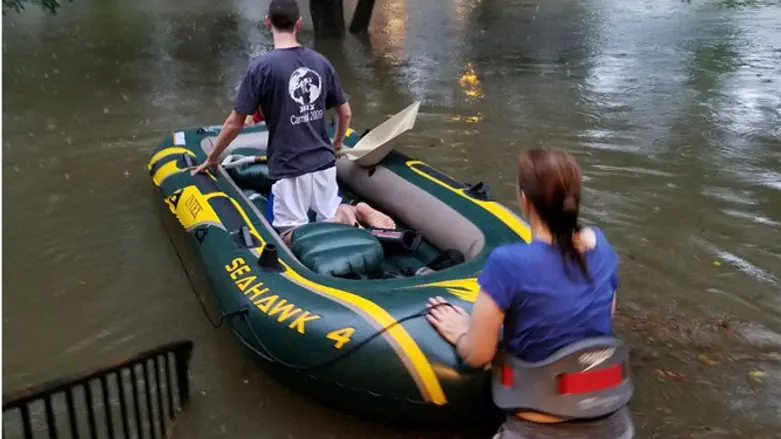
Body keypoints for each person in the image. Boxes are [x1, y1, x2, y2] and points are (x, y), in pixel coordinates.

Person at [425, 148, 634, 439]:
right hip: (615, 426)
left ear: (525, 199)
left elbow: (478, 355)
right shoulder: (601, 246)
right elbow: (602, 321)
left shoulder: (508, 263)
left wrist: (462, 331)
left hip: (538, 429)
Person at [193, 0, 394, 244]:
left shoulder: (261, 67)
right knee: (323, 215)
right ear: (298, 23)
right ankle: (353, 209)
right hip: (324, 165)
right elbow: (346, 113)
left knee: (287, 237)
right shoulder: (321, 62)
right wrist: (337, 143)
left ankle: (342, 216)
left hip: (289, 169)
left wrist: (213, 158)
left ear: (268, 22)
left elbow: (235, 124)